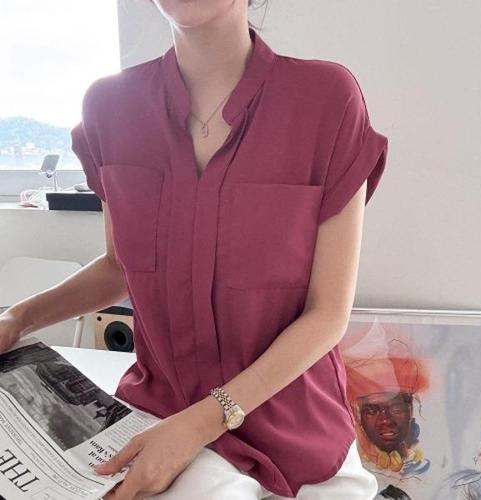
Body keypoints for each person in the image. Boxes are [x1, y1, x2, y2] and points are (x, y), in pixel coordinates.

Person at [0, 0, 389, 498]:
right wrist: (18, 318)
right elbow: (119, 267)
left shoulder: (325, 99)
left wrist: (202, 422)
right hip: (156, 414)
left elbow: (328, 313)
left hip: (293, 426)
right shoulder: (108, 108)